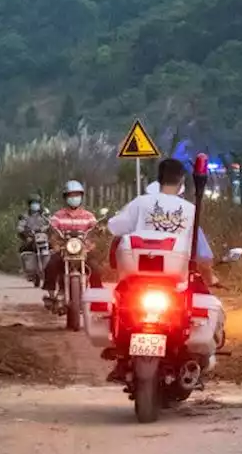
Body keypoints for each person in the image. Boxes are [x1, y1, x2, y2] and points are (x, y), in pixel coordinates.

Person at [106, 159, 217, 382]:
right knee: (201, 311)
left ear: (158, 179)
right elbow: (203, 253)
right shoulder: (189, 209)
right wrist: (211, 275)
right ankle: (193, 359)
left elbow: (115, 227)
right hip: (176, 283)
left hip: (136, 281)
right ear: (182, 182)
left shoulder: (140, 203)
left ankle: (121, 359)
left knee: (119, 307)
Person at [43, 180, 103, 308]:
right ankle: (51, 295)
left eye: (77, 195)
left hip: (83, 250)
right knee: (51, 264)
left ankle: (98, 301)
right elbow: (52, 231)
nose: (74, 198)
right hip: (64, 249)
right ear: (66, 198)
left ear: (81, 197)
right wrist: (55, 244)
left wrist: (92, 241)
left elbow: (95, 231)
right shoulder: (58, 216)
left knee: (95, 268)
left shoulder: (88, 216)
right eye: (71, 195)